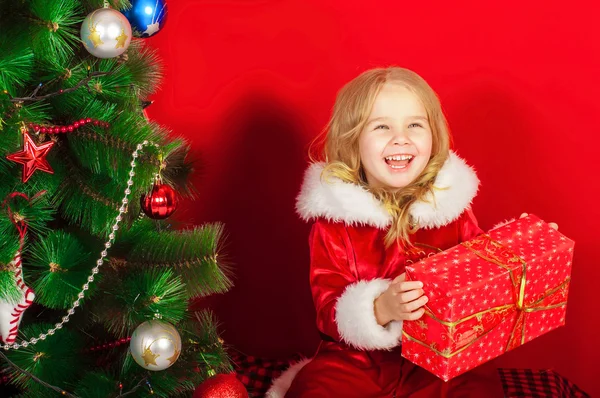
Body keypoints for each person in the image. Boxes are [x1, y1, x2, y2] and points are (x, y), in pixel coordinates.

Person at [266, 67, 553, 397]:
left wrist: (522, 248)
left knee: (477, 387)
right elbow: (328, 306)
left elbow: (481, 265)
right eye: (382, 126)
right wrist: (380, 308)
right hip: (359, 362)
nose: (400, 138)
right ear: (353, 140)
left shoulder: (450, 207)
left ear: (433, 136)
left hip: (439, 359)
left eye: (414, 125)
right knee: (318, 387)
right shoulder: (335, 221)